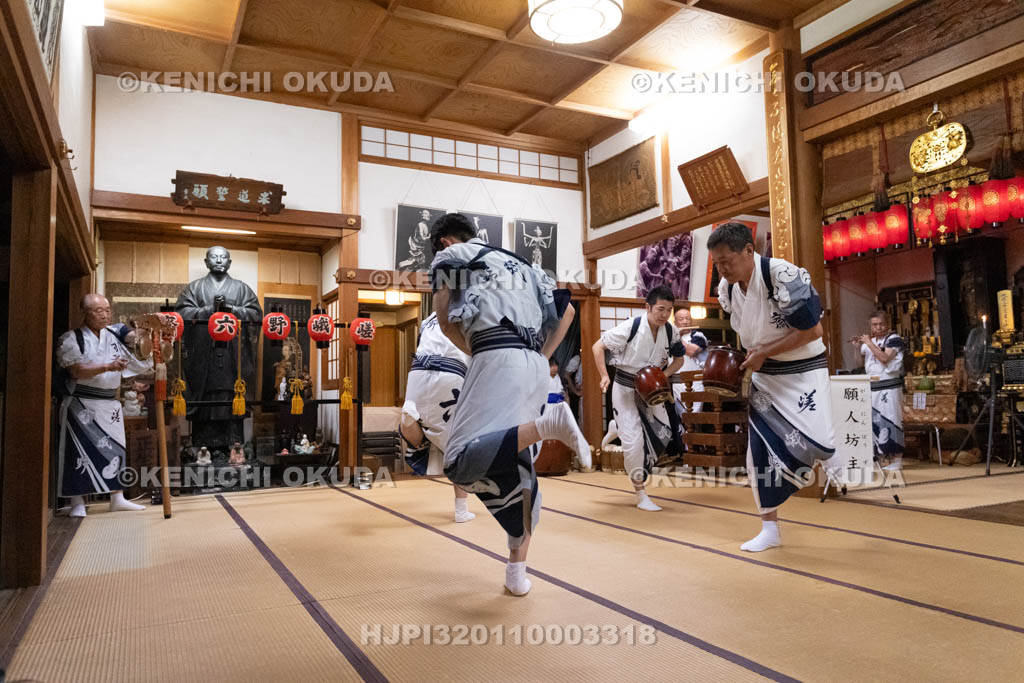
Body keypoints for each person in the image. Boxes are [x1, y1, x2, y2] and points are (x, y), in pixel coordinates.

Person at [430, 213, 585, 596]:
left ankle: (549, 425)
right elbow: (567, 310)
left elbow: (446, 322)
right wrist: (540, 356)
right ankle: (516, 574)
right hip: (534, 366)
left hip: (496, 358)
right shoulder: (526, 265)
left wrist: (480, 352)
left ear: (446, 242)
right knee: (519, 471)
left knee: (458, 462)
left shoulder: (453, 256)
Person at [711, 222, 836, 552]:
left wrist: (764, 352)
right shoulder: (728, 288)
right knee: (758, 454)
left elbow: (813, 331)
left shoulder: (783, 276)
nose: (722, 269)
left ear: (749, 251)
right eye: (717, 263)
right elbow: (748, 328)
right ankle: (770, 527)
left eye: (727, 261)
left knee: (820, 443)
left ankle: (825, 461)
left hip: (803, 369)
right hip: (765, 375)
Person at [56, 294, 153, 518]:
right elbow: (76, 371)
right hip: (81, 404)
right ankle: (77, 501)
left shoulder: (114, 334)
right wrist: (108, 366)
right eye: (98, 310)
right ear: (85, 312)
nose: (104, 314)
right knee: (78, 453)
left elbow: (134, 343)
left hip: (110, 403)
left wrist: (145, 335)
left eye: (107, 310)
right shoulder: (72, 339)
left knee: (115, 449)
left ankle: (117, 497)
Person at [591, 286, 686, 511]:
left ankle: (618, 428)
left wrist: (663, 375)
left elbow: (679, 360)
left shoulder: (671, 331)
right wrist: (604, 376)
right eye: (660, 309)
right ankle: (640, 493)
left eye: (669, 310)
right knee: (634, 444)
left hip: (652, 388)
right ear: (648, 307)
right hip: (625, 387)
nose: (664, 314)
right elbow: (597, 347)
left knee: (664, 433)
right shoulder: (630, 327)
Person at [175, 246, 262, 450]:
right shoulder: (194, 288)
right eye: (214, 257)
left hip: (233, 354)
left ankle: (234, 448)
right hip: (204, 354)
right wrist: (209, 310)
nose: (219, 260)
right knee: (205, 400)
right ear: (206, 262)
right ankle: (203, 449)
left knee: (232, 396)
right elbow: (181, 314)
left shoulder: (241, 289)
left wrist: (229, 310)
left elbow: (256, 315)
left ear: (229, 263)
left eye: (223, 257)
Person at [400, 311, 476, 523]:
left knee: (420, 439)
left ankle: (409, 418)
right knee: (458, 445)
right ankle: (461, 510)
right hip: (449, 371)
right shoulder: (472, 309)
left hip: (417, 372)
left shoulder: (429, 319)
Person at [854, 310, 905, 471]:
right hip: (873, 386)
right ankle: (882, 458)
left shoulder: (894, 339)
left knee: (892, 420)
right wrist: (857, 348)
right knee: (876, 423)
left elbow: (884, 358)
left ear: (888, 324)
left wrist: (868, 343)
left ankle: (896, 459)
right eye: (874, 325)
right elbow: (859, 363)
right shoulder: (871, 341)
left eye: (881, 324)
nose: (878, 327)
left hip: (889, 386)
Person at [544, 359, 591, 468]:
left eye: (556, 368)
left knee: (562, 431)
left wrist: (567, 404)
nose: (554, 371)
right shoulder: (542, 378)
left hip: (559, 406)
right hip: (547, 406)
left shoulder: (558, 378)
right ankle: (547, 459)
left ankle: (561, 459)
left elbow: (564, 393)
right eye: (552, 369)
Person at [672, 307, 709, 412]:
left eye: (687, 318)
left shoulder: (697, 335)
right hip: (676, 381)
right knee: (679, 414)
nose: (685, 322)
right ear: (675, 322)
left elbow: (691, 351)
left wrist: (677, 336)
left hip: (695, 381)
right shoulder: (669, 337)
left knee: (694, 413)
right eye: (681, 319)